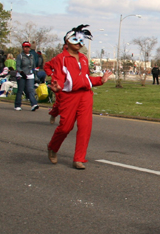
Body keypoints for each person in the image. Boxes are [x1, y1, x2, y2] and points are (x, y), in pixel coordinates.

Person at [46, 26, 113, 169]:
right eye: (75, 39)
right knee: (65, 128)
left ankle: (79, 158)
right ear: (67, 40)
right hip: (69, 96)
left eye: (81, 40)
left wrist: (101, 80)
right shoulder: (60, 58)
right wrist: (57, 86)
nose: (79, 43)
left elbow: (85, 78)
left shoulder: (83, 58)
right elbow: (59, 77)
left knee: (85, 127)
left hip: (85, 95)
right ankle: (52, 147)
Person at [14, 41, 40, 112]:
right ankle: (17, 105)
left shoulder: (32, 56)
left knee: (30, 89)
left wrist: (35, 75)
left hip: (30, 74)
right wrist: (22, 73)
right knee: (20, 90)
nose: (27, 49)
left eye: (28, 47)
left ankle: (34, 104)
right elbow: (18, 67)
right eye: (25, 47)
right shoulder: (20, 56)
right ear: (23, 48)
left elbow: (33, 66)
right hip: (21, 75)